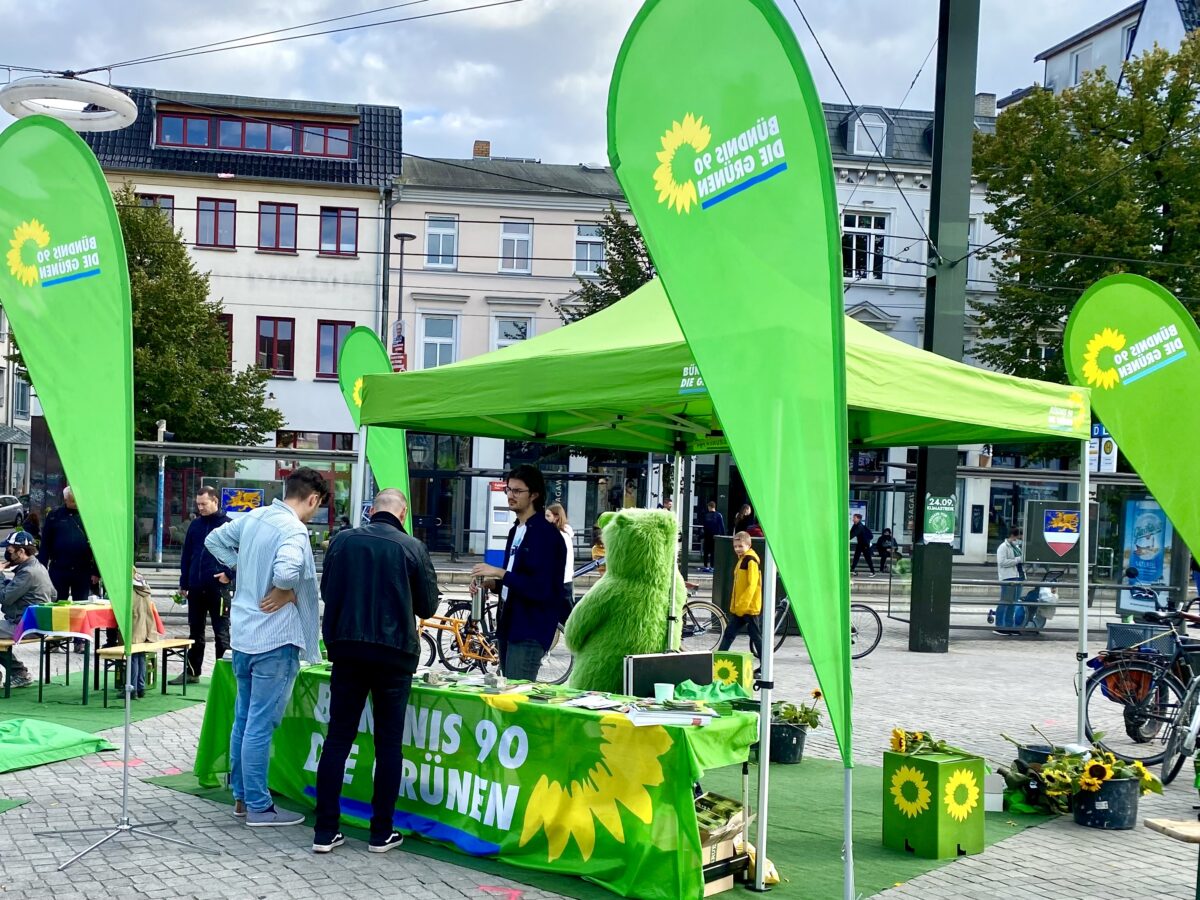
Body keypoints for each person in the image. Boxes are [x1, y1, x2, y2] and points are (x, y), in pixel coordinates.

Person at [313, 489, 438, 855]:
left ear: (371, 511)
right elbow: (428, 605)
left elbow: (327, 590)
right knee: (388, 745)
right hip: (394, 654)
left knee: (337, 739)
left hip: (347, 650)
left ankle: (325, 831)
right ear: (402, 515)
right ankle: (381, 832)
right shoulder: (412, 547)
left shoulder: (342, 541)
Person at [205, 467, 329, 827]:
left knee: (244, 721)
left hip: (244, 635)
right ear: (313, 499)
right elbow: (289, 571)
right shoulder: (293, 529)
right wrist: (283, 587)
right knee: (258, 724)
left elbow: (215, 541)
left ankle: (243, 798)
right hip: (275, 639)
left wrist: (242, 568)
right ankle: (258, 805)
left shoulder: (254, 516)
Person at [470, 465, 566, 682]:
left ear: (534, 494)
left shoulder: (545, 535)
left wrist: (501, 573)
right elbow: (515, 581)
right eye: (508, 489)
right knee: (507, 690)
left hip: (529, 628)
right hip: (508, 624)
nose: (510, 496)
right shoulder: (516, 529)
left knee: (517, 696)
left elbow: (540, 588)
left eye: (517, 491)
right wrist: (490, 583)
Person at [176, 486, 233, 684]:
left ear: (215, 501)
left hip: (218, 588)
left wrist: (229, 574)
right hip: (195, 587)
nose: (200, 507)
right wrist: (184, 582)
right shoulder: (195, 525)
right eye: (198, 504)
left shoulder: (228, 525)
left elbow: (243, 554)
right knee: (195, 631)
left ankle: (224, 677)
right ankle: (192, 672)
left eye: (204, 504)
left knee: (221, 632)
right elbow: (187, 555)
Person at [0, 531, 55, 688]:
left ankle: (19, 673)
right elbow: (54, 594)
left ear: (21, 551)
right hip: (35, 622)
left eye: (9, 551)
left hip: (28, 625)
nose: (6, 554)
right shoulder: (38, 566)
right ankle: (18, 672)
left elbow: (4, 597)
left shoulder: (28, 572)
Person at [41, 486, 99, 602]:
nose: (76, 503)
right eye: (72, 500)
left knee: (81, 603)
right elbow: (45, 544)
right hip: (59, 568)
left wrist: (96, 572)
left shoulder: (89, 516)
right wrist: (41, 568)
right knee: (57, 602)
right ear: (65, 499)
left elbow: (98, 546)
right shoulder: (54, 515)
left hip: (82, 569)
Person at [717, 532, 762, 659]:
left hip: (748, 608)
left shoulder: (750, 560)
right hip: (742, 607)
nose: (737, 549)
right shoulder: (743, 559)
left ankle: (765, 666)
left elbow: (752, 585)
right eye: (735, 546)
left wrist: (741, 605)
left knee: (755, 637)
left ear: (748, 545)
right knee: (730, 633)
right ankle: (718, 660)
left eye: (740, 546)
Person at [127, 568, 160, 699]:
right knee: (140, 655)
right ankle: (140, 687)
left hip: (134, 624)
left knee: (133, 656)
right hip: (146, 627)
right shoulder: (141, 581)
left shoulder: (128, 586)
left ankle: (132, 688)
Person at [545, 502, 575, 622]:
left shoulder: (559, 535)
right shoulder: (562, 533)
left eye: (548, 516)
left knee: (568, 620)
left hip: (560, 582)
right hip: (562, 581)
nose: (545, 519)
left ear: (556, 517)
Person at [996, 527, 1023, 605]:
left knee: (1014, 602)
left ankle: (1009, 617)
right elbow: (1002, 562)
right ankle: (1001, 617)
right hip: (1008, 577)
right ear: (1012, 536)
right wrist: (1017, 560)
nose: (1018, 540)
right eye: (1018, 538)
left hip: (1018, 576)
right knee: (1005, 602)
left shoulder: (1016, 547)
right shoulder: (1003, 547)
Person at [701, 501, 725, 573]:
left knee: (706, 551)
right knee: (713, 552)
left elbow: (704, 526)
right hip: (715, 536)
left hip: (707, 536)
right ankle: (712, 566)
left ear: (709, 507)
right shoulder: (718, 515)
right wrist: (722, 535)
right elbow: (722, 526)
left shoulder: (706, 515)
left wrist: (702, 535)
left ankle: (705, 565)